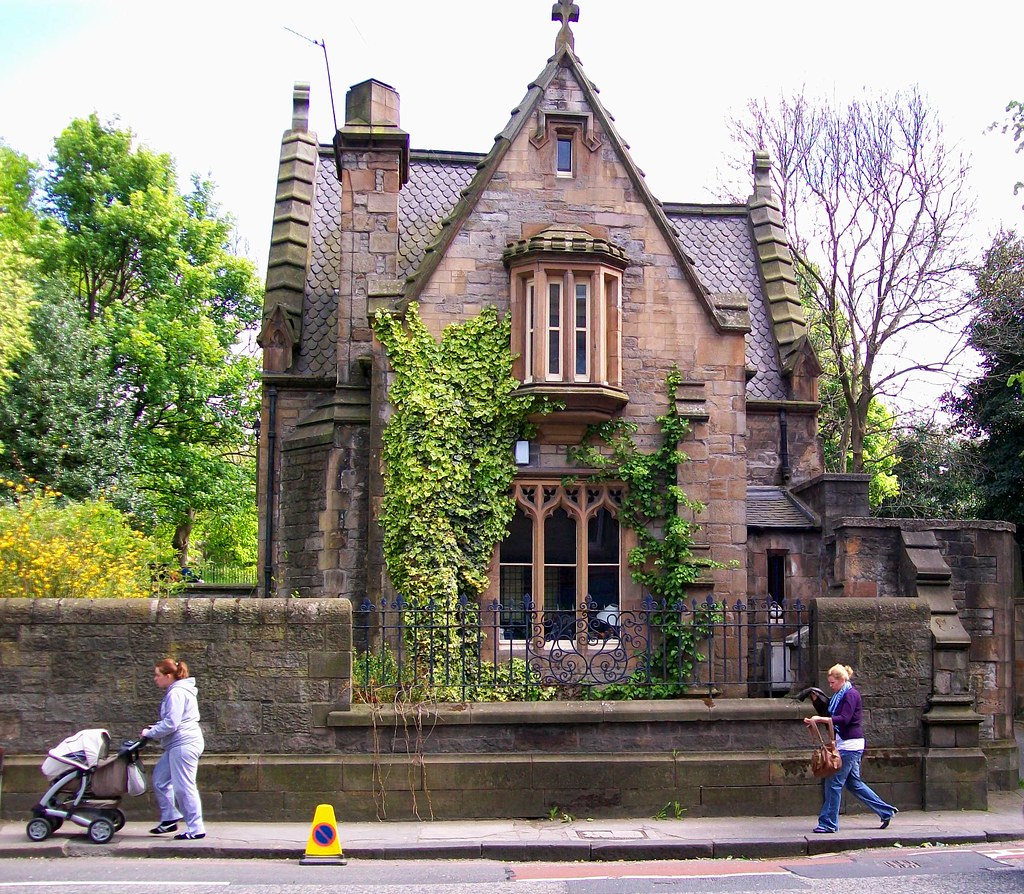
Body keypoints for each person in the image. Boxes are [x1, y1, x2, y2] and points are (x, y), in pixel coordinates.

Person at [804, 663, 897, 834]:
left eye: (832, 683)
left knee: (833, 783)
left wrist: (820, 720)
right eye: (829, 683)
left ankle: (829, 823)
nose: (830, 686)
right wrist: (817, 706)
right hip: (847, 744)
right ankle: (885, 811)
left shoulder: (850, 695)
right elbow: (830, 713)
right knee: (854, 784)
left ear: (842, 680)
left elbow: (844, 719)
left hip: (850, 746)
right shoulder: (840, 695)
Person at [141, 657, 206, 840]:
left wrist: (150, 733)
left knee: (184, 786)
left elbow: (171, 723)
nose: (155, 679)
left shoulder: (176, 693)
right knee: (160, 780)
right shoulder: (176, 691)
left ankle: (196, 828)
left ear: (169, 675)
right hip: (176, 744)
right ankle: (170, 818)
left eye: (158, 675)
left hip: (184, 744)